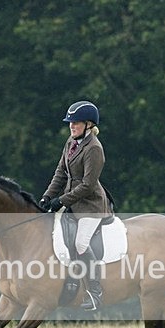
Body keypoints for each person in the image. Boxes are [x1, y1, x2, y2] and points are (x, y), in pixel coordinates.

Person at [40, 100, 112, 311]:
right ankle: (71, 281)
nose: (72, 126)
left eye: (77, 123)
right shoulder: (70, 142)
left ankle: (95, 291)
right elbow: (60, 173)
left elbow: (89, 186)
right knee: (59, 237)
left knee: (81, 243)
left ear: (89, 125)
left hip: (91, 206)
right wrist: (47, 197)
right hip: (73, 203)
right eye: (70, 123)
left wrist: (61, 201)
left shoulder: (94, 148)